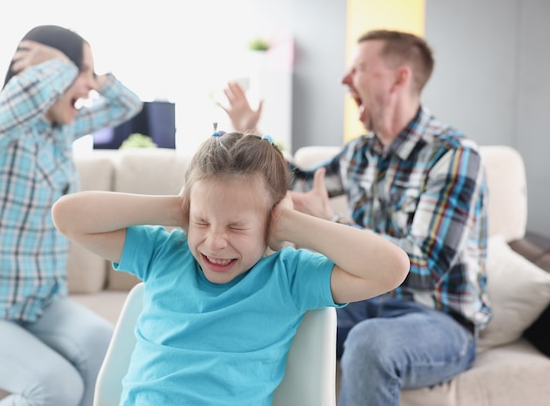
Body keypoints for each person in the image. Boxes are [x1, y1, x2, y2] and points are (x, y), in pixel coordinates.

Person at [220, 29, 491, 406]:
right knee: (276, 317)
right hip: (365, 300)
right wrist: (252, 133)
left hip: (439, 318)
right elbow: (298, 179)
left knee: (369, 343)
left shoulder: (454, 155)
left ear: (400, 78)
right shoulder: (361, 152)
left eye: (358, 68)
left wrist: (331, 226)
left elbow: (428, 268)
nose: (343, 79)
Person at [51, 131, 410, 405]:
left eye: (236, 227)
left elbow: (390, 268)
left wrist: (289, 223)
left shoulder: (288, 277)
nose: (215, 242)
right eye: (202, 222)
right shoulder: (165, 253)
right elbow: (67, 216)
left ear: (271, 224)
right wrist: (177, 208)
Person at [0, 25, 143, 406]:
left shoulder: (59, 131)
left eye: (89, 74)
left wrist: (87, 73)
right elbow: (24, 100)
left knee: (109, 352)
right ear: (44, 70)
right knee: (57, 386)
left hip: (41, 305)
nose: (89, 87)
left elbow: (127, 105)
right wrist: (60, 66)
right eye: (80, 73)